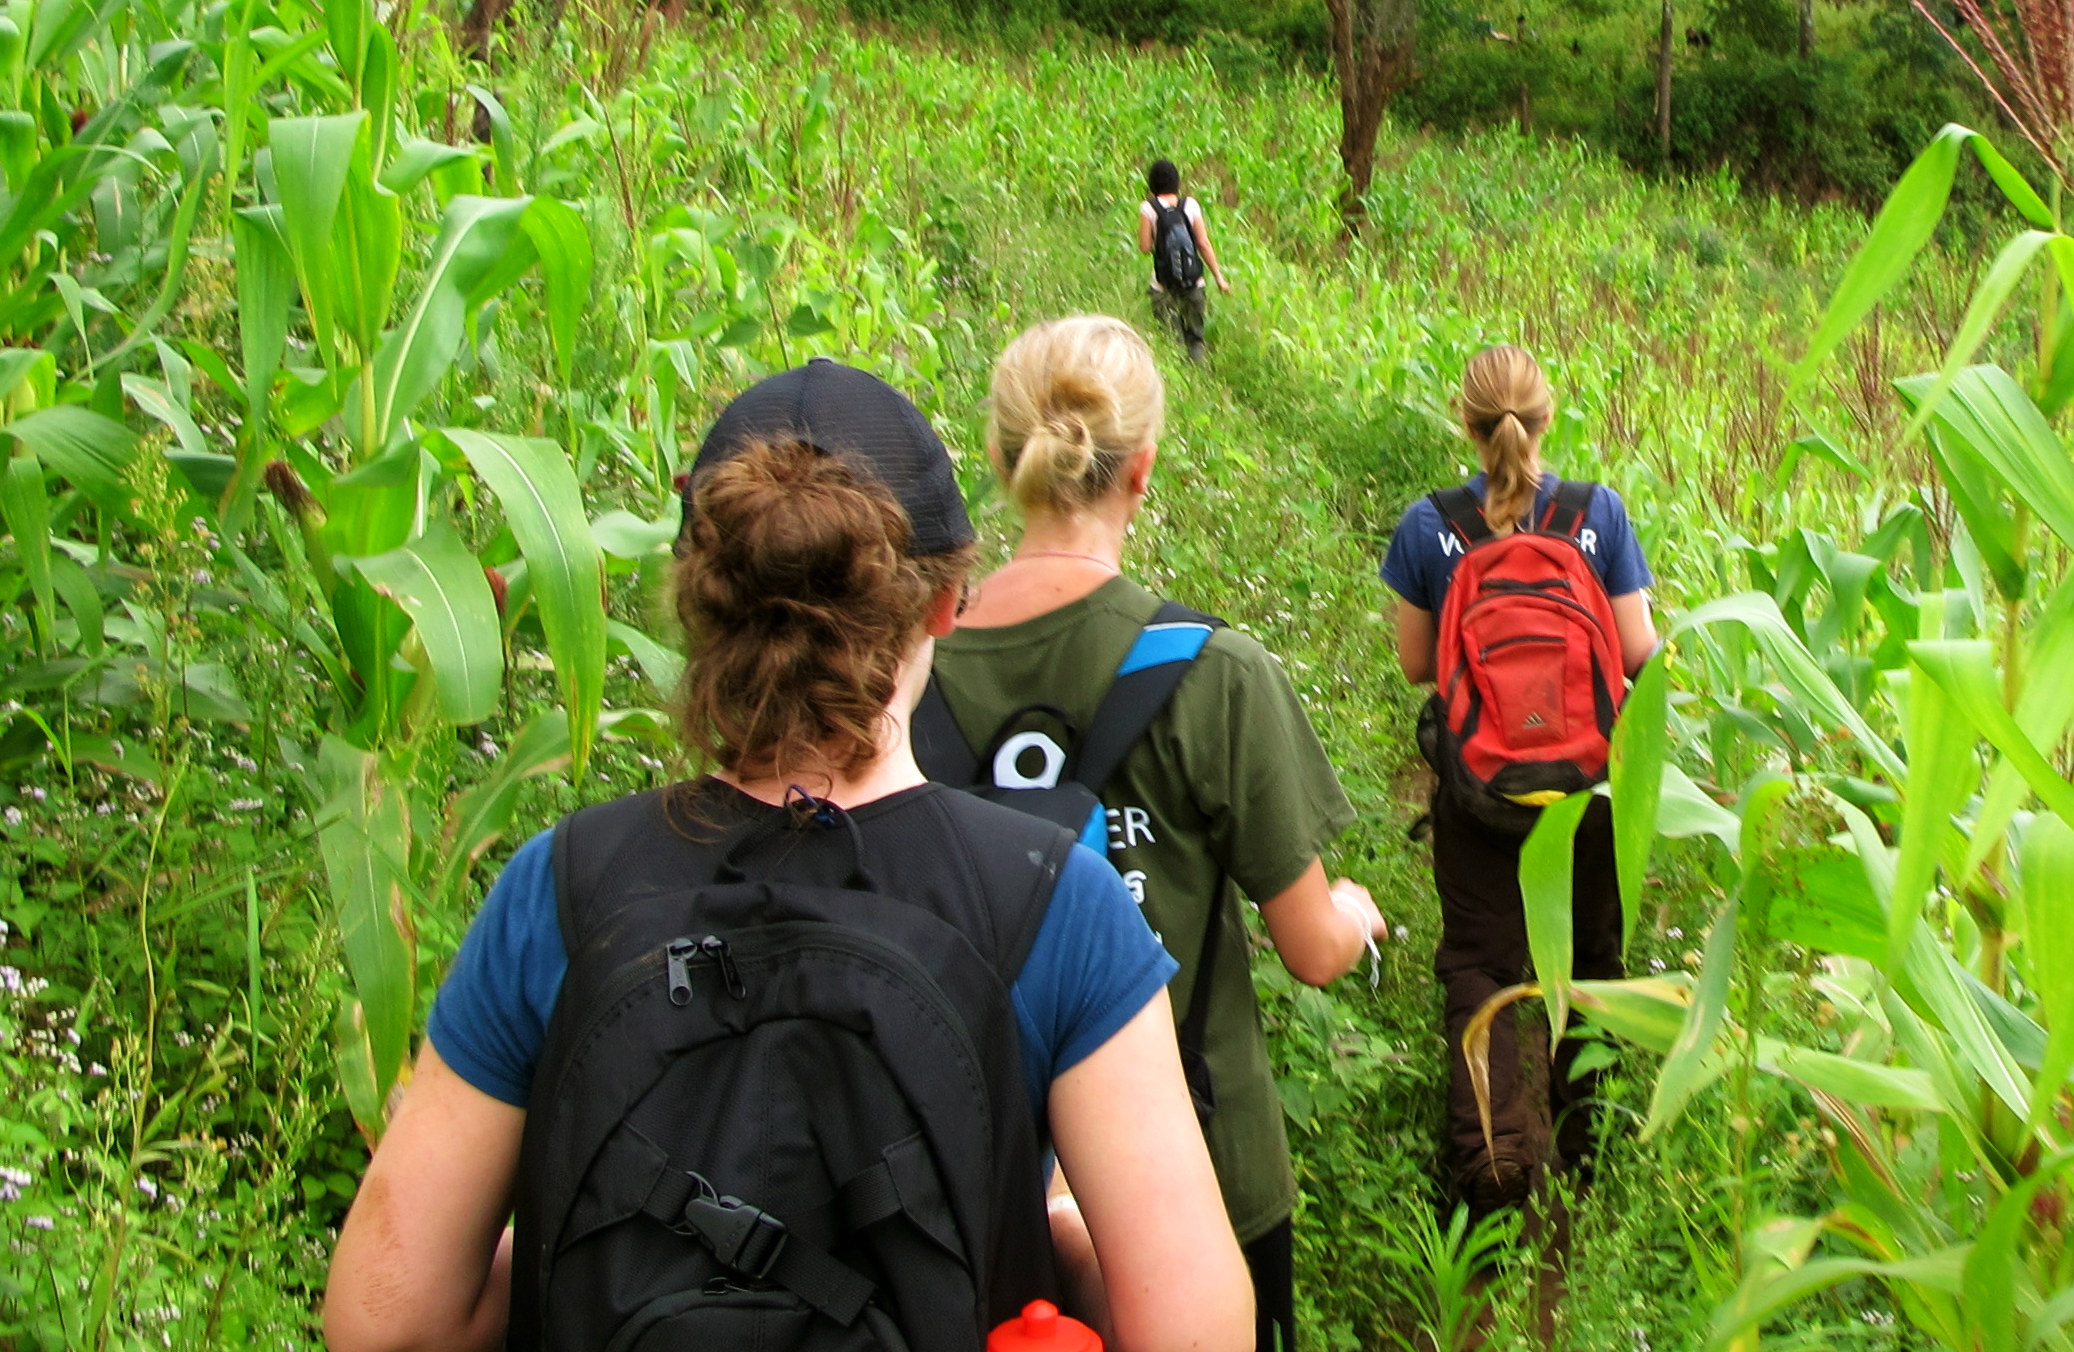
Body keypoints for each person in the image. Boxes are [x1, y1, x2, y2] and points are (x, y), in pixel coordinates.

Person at [323, 359, 1252, 1352]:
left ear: (697, 597)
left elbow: (388, 1319)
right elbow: (1193, 1332)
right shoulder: (1056, 901)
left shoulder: (558, 887)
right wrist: (1057, 1240)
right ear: (945, 602)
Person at [922, 315, 1383, 1352]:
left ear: (1000, 459)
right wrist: (1353, 911)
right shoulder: (1215, 671)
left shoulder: (915, 671)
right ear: (1144, 470)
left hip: (967, 1180)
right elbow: (1310, 947)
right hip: (1201, 1185)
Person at [1377, 344, 1657, 1214]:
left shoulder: (1429, 525)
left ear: (1463, 421)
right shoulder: (1596, 515)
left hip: (1479, 793)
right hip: (1588, 792)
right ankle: (1591, 1151)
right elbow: (1640, 653)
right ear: (1548, 418)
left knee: (1479, 964)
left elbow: (1419, 664)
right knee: (1593, 964)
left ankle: (1491, 1162)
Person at [1137, 158, 1229, 361]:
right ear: (1176, 182)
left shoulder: (1148, 208)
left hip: (1163, 286)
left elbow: (1144, 247)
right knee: (1196, 339)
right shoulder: (1191, 205)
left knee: (1173, 341)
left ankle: (1181, 385)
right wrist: (1219, 277)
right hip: (1193, 283)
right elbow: (1203, 244)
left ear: (1152, 183)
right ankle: (1200, 379)